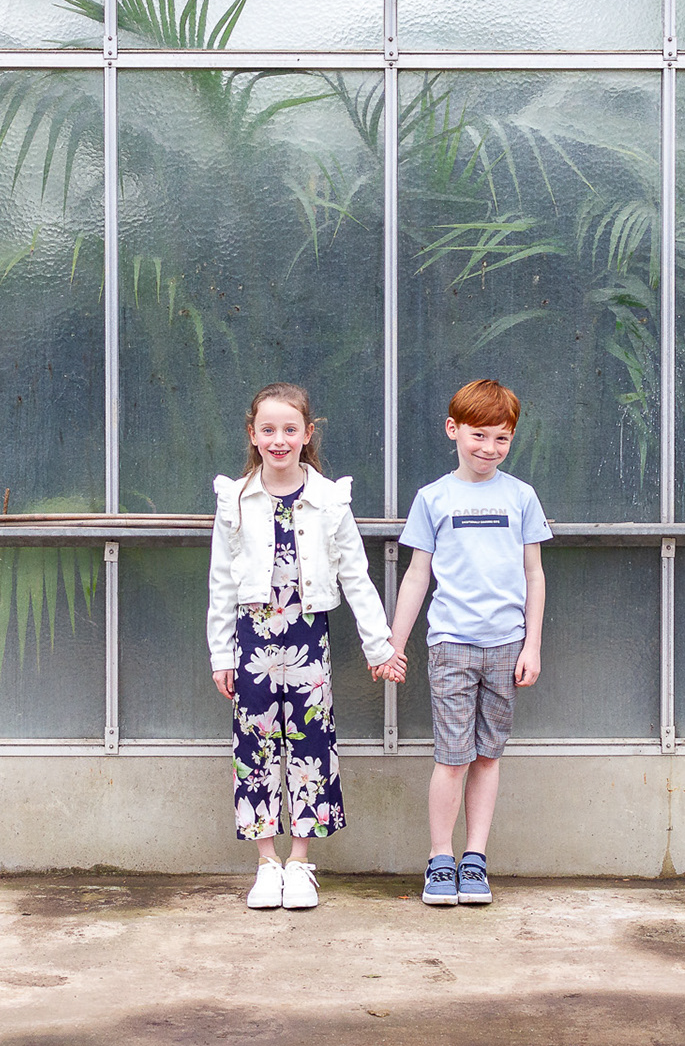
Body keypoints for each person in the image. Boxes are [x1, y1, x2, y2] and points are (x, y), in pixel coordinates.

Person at [207, 382, 407, 911]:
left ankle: (299, 862)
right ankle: (265, 864)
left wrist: (380, 647)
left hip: (307, 639)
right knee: (254, 747)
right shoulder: (235, 499)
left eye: (290, 429)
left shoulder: (328, 500)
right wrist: (221, 654)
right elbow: (221, 581)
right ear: (253, 434)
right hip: (251, 641)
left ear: (307, 434)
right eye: (268, 430)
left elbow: (357, 576)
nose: (279, 440)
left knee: (310, 743)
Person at [387, 379, 549, 907]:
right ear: (453, 430)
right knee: (453, 756)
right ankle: (440, 858)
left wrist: (532, 645)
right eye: (479, 435)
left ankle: (475, 858)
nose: (489, 448)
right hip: (451, 644)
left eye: (502, 438)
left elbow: (534, 574)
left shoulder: (521, 496)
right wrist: (394, 644)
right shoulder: (433, 498)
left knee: (487, 755)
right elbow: (417, 575)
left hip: (506, 646)